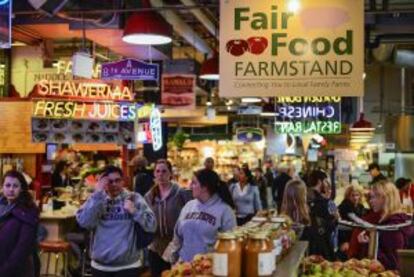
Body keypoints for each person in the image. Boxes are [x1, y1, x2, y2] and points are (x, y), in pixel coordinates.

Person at [76, 165, 157, 277]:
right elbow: (84, 222)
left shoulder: (134, 198)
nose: (114, 184)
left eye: (117, 180)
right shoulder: (96, 199)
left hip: (128, 266)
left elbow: (152, 225)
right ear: (103, 183)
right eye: (110, 181)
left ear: (122, 181)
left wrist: (134, 211)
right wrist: (98, 194)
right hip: (100, 266)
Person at [163, 169, 237, 263]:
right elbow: (177, 237)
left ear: (205, 187)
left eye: (194, 183)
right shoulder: (189, 206)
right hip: (183, 267)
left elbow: (230, 246)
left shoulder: (225, 211)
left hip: (207, 269)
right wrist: (171, 259)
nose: (190, 186)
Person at [144, 159, 192, 277]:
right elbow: (146, 219)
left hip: (176, 245)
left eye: (164, 171)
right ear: (154, 174)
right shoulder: (149, 196)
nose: (161, 174)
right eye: (158, 171)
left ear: (170, 173)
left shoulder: (181, 193)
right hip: (155, 246)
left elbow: (190, 216)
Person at [357, 181, 413, 270]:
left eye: (373, 197)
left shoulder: (392, 227)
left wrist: (370, 243)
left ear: (385, 198)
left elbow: (392, 263)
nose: (370, 201)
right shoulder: (397, 221)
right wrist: (369, 242)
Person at [0, 170, 39, 277]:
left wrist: (5, 270)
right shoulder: (1, 207)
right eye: (7, 185)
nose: (11, 189)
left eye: (15, 186)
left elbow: (22, 248)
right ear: (2, 187)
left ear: (22, 189)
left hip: (18, 270)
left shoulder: (28, 211)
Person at [306, 170, 337, 261]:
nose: (326, 185)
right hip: (322, 246)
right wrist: (336, 217)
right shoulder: (323, 202)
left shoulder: (305, 196)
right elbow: (331, 224)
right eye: (325, 181)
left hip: (308, 244)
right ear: (320, 182)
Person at [337, 186, 367, 260]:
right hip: (346, 238)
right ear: (348, 196)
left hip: (356, 238)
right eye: (352, 195)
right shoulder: (344, 206)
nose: (355, 198)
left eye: (357, 195)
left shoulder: (360, 206)